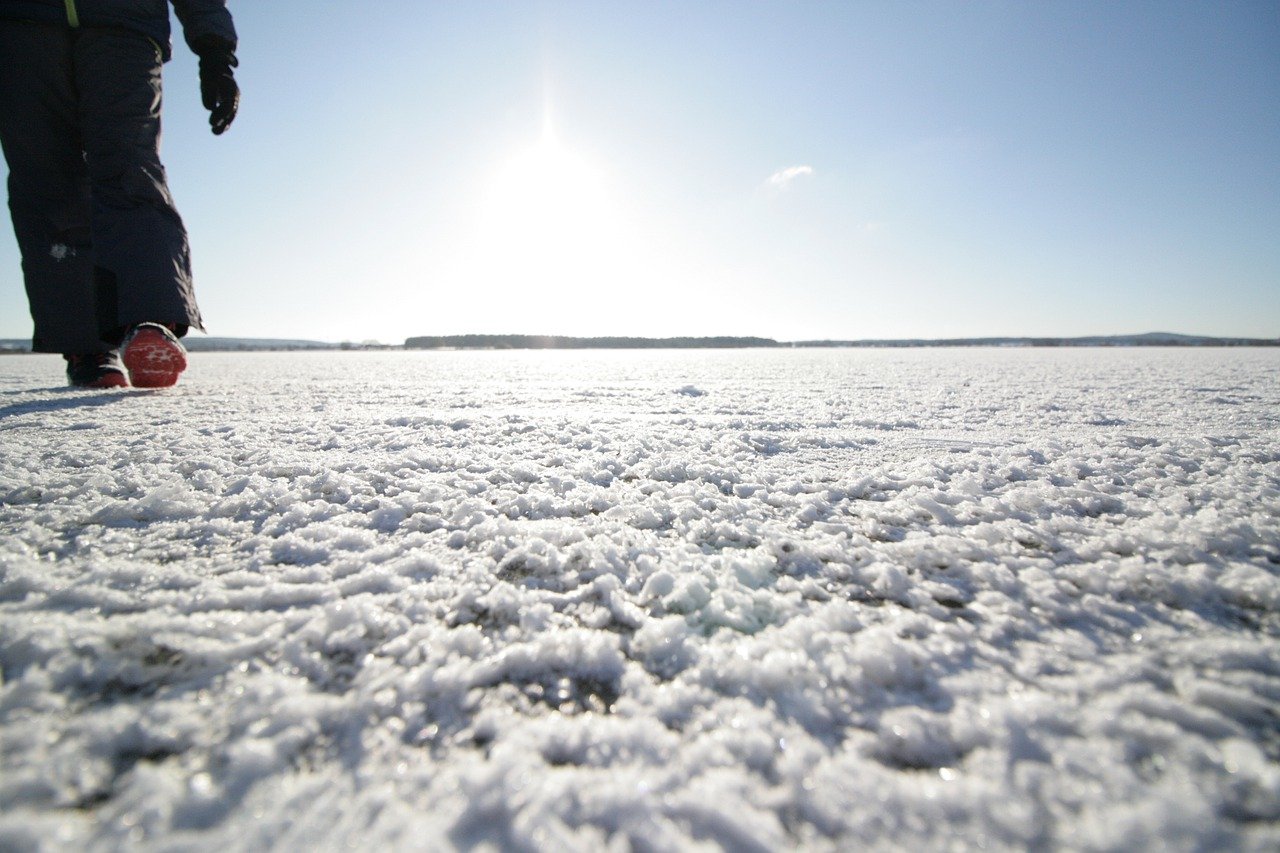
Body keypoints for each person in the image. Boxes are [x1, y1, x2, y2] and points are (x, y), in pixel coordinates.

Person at [0, 0, 238, 388]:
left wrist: (215, 48)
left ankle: (149, 320)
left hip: (124, 26)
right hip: (21, 30)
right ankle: (87, 347)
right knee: (45, 182)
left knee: (129, 169)